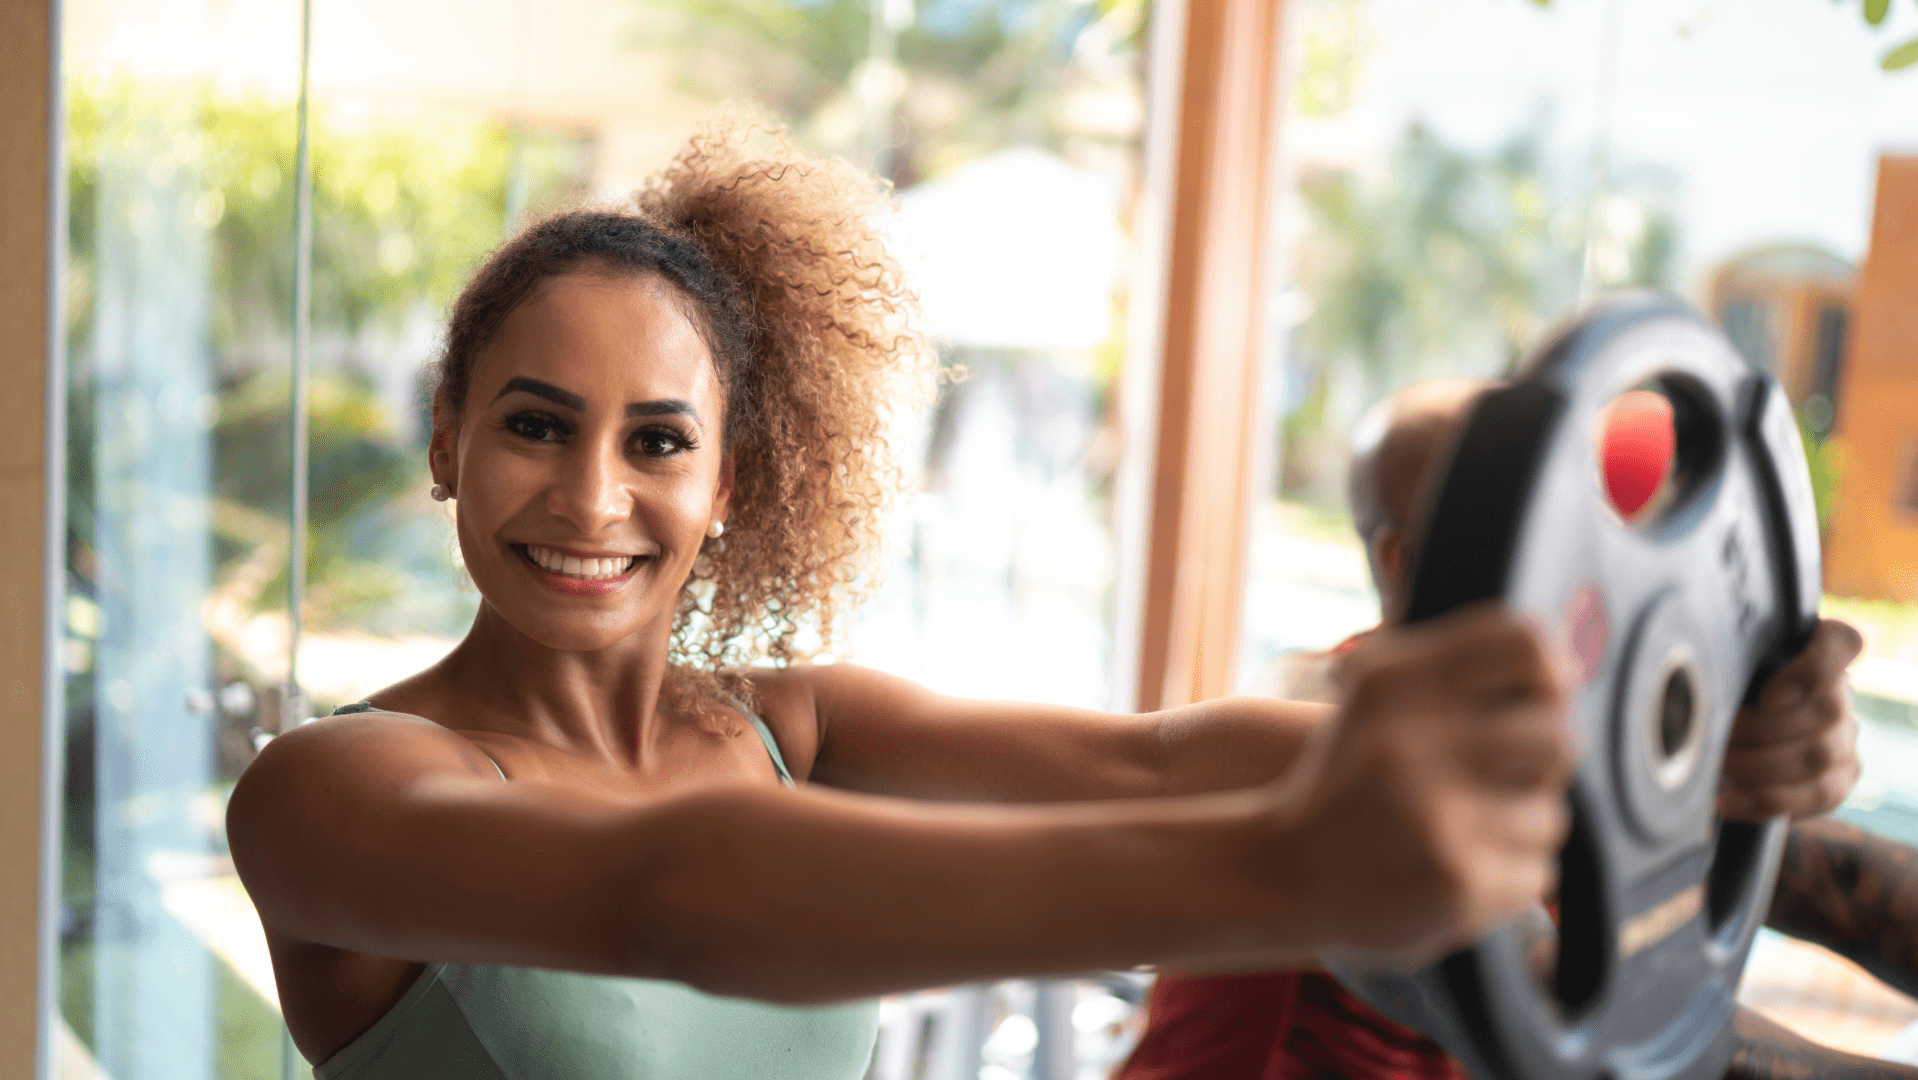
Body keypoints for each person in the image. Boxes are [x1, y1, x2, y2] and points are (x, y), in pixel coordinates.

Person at [224, 127, 1856, 1080]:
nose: (593, 498)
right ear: (448, 438)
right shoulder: (337, 792)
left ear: (733, 483)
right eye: (532, 424)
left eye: (659, 441)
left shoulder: (791, 720)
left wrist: (1670, 732)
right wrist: (1283, 869)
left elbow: (1167, 757)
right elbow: (678, 896)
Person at [1121, 378, 1892, 1080]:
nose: (1573, 552)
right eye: (1521, 513)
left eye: (1577, 509)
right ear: (1404, 559)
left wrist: (1767, 763)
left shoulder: (1560, 718)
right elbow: (1581, 1019)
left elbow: (1839, 886)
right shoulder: (1314, 717)